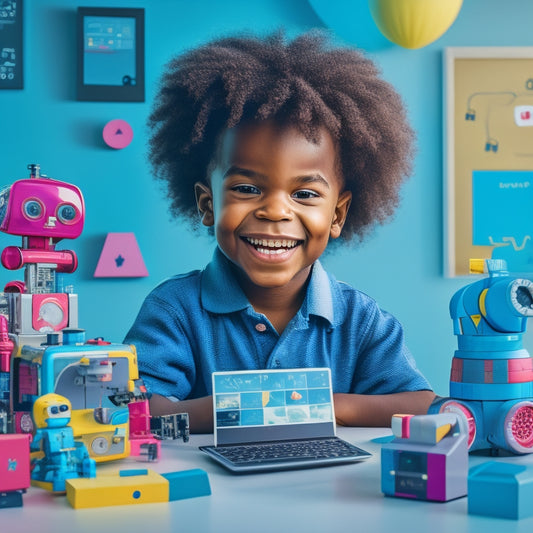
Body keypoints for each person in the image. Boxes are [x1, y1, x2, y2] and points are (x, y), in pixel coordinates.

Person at [124, 31, 435, 432]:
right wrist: (258, 405)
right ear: (208, 204)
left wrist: (318, 403)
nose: (275, 211)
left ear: (337, 215)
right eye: (247, 189)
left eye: (304, 193)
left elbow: (422, 403)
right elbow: (136, 409)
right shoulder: (174, 310)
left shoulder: (362, 320)